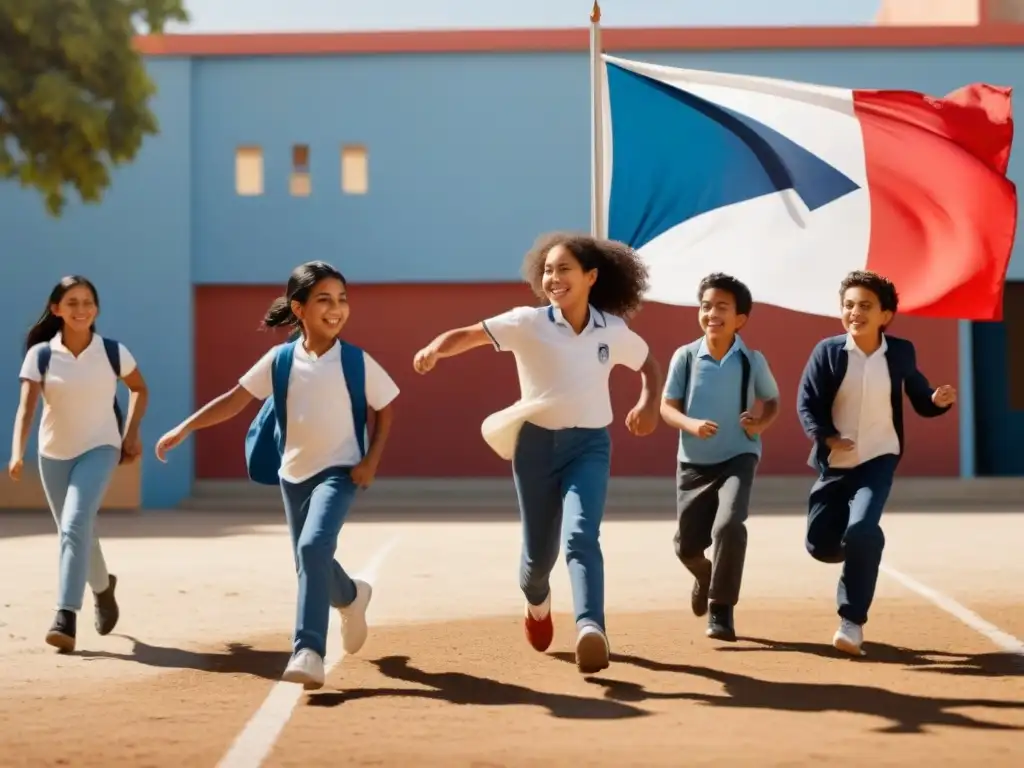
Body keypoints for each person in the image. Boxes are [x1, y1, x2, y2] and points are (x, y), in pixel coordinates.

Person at [412, 232, 663, 674]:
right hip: (536, 449)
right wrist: (436, 347)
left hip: (590, 446)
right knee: (537, 561)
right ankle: (537, 603)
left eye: (564, 268)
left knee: (581, 536)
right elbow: (468, 334)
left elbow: (648, 365)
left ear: (591, 277)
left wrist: (647, 402)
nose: (553, 277)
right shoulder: (527, 322)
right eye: (547, 270)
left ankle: (591, 628)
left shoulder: (613, 330)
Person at [154, 261, 399, 689]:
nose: (336, 308)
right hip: (294, 475)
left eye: (342, 299)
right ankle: (353, 596)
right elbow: (234, 401)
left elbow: (387, 411)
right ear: (298, 308)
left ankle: (308, 650)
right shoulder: (280, 360)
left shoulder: (356, 362)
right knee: (311, 559)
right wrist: (185, 427)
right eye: (324, 299)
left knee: (311, 548)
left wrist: (370, 461)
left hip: (340, 472)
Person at [796, 270, 956, 656]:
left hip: (879, 458)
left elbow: (918, 393)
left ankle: (852, 621)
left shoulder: (900, 352)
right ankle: (864, 543)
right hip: (836, 462)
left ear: (886, 314)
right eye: (848, 305)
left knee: (863, 531)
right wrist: (828, 436)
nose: (855, 312)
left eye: (865, 306)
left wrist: (934, 400)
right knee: (820, 546)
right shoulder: (828, 352)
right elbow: (808, 403)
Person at [8, 275, 148, 653]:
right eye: (72, 302)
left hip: (100, 448)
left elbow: (139, 388)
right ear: (56, 309)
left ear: (96, 309)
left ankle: (65, 615)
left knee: (74, 525)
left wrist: (130, 434)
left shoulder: (113, 352)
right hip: (53, 454)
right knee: (77, 531)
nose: (81, 309)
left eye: (87, 302)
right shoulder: (40, 355)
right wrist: (17, 452)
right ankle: (104, 589)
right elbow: (26, 409)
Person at [659, 273, 780, 642]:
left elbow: (772, 401)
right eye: (706, 305)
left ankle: (721, 610)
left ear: (740, 318)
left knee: (729, 525)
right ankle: (702, 573)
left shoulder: (752, 360)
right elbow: (667, 407)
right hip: (694, 462)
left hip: (738, 456)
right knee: (688, 547)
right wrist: (691, 425)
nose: (712, 313)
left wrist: (760, 424)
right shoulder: (685, 357)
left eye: (722, 307)